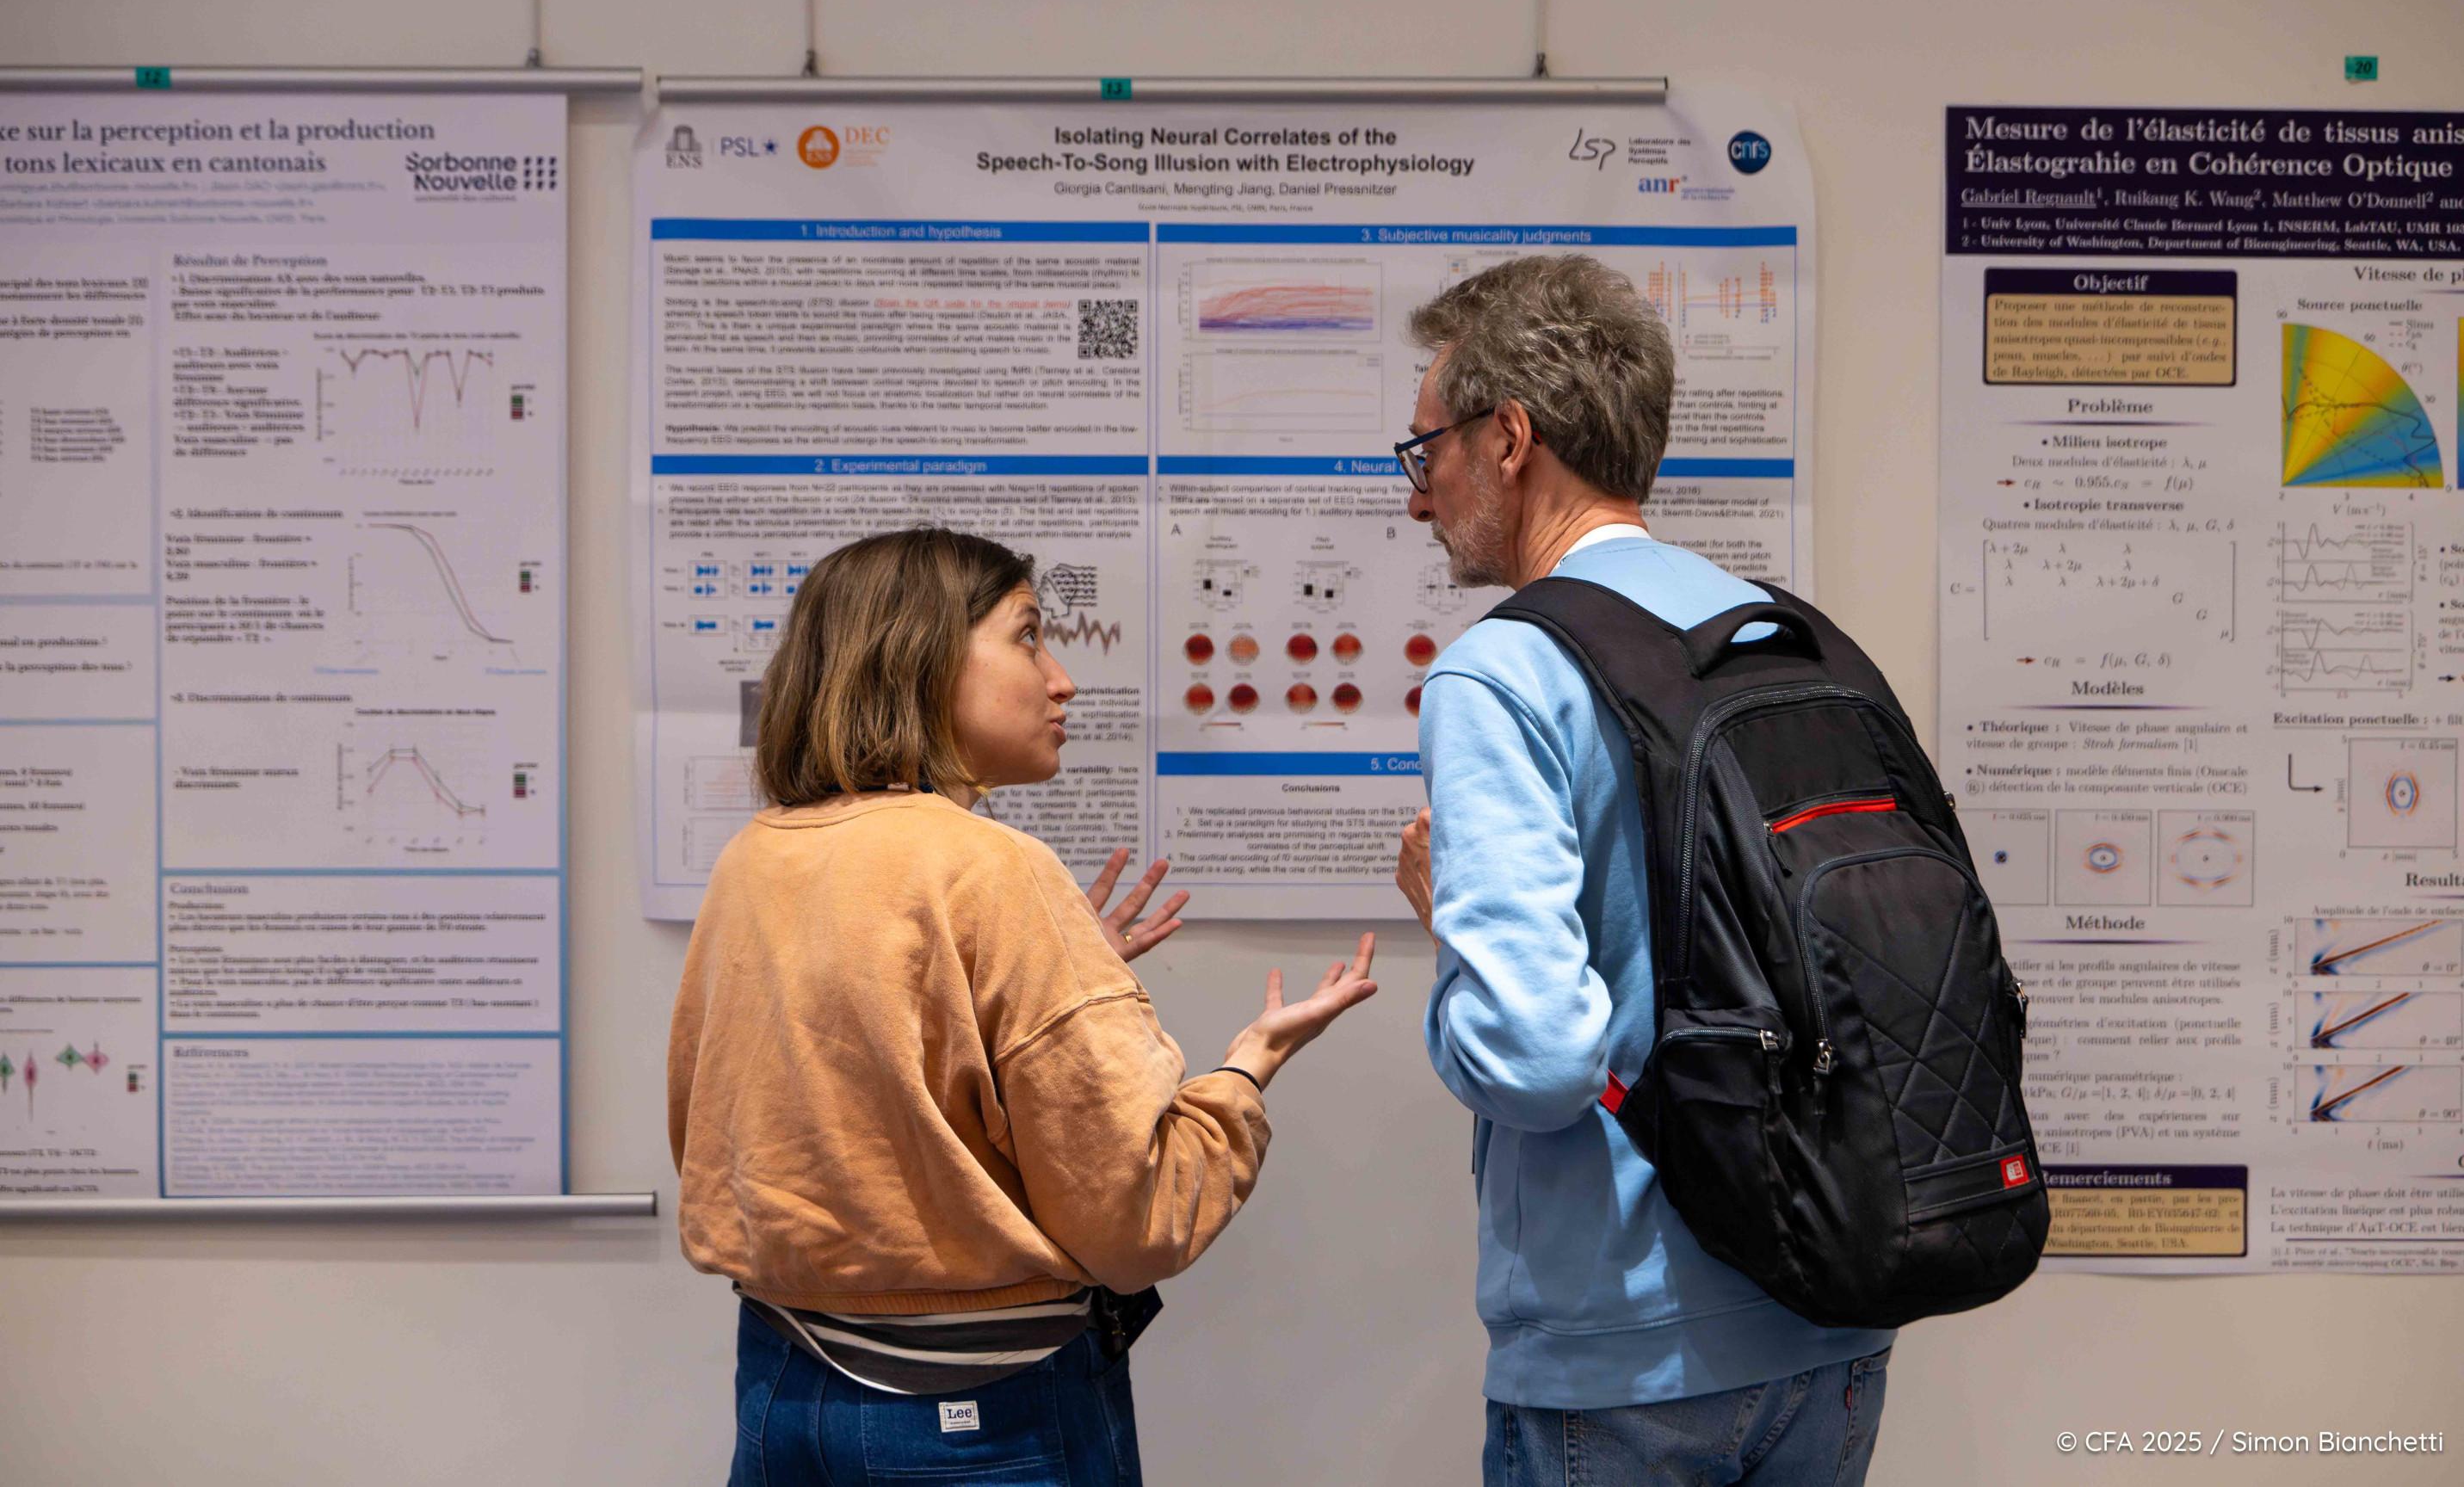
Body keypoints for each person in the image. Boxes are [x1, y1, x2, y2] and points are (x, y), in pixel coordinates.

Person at [670, 526, 1376, 1485]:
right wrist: (1247, 1070)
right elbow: (1131, 1221)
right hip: (979, 1424)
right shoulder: (993, 867)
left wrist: (1045, 976)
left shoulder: (758, 853)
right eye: (1029, 636)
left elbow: (786, 1106)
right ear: (919, 658)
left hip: (786, 1390)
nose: (1062, 680)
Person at [1390, 256, 1895, 1485]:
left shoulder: (1502, 670)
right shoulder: (1790, 636)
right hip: (1832, 1307)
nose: (1416, 495)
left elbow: (1535, 1059)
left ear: (1507, 437)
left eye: (1426, 448)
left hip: (1622, 1351)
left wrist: (1448, 923)